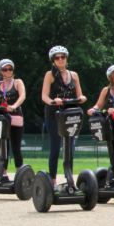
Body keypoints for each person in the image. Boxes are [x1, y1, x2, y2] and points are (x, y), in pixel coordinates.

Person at [41, 46, 86, 188]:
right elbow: (44, 95)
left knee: (69, 149)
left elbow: (79, 94)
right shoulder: (50, 75)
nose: (60, 60)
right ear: (53, 60)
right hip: (53, 115)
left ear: (66, 58)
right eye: (57, 57)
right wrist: (53, 101)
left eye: (63, 57)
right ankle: (52, 181)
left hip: (70, 114)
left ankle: (70, 180)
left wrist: (82, 98)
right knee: (55, 148)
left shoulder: (74, 75)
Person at [0, 59, 26, 177]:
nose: (8, 71)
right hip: (1, 119)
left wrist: (14, 106)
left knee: (16, 147)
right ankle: (4, 174)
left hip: (15, 117)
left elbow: (22, 96)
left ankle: (19, 175)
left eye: (10, 69)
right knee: (3, 148)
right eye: (5, 69)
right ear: (0, 71)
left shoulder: (17, 82)